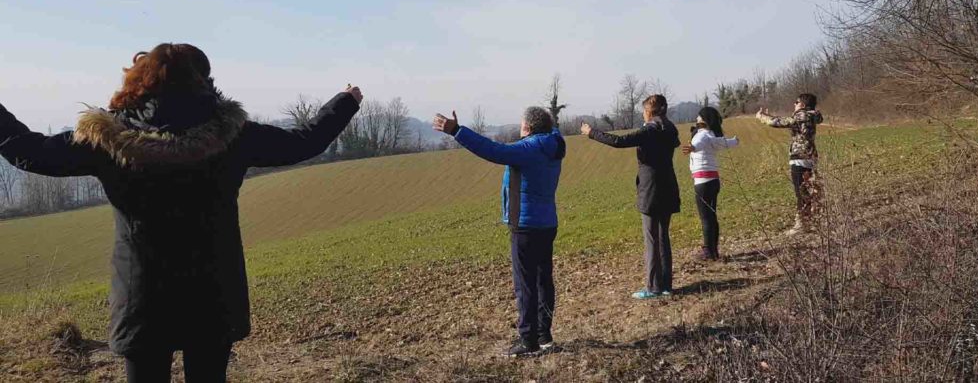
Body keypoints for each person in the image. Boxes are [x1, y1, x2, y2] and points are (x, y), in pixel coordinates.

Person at [0, 43, 362, 383]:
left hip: (142, 295)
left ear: (138, 81)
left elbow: (33, 152)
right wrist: (344, 102)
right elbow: (303, 141)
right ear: (204, 82)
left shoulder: (107, 140)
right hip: (213, 290)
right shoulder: (233, 136)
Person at [432, 107, 566, 357]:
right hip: (547, 222)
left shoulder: (530, 149)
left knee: (525, 284)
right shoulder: (554, 142)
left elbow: (494, 151)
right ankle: (544, 335)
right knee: (543, 280)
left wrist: (457, 131)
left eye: (522, 125)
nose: (519, 129)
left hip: (525, 225)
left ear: (527, 128)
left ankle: (528, 341)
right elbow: (549, 127)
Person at [581, 94, 680, 300]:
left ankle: (653, 287)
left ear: (649, 111)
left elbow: (619, 141)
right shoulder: (670, 128)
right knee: (663, 237)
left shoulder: (650, 129)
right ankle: (666, 285)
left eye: (644, 111)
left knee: (652, 238)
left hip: (651, 189)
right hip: (668, 186)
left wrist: (592, 133)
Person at [756, 93, 824, 236]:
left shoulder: (802, 115)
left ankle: (801, 224)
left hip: (800, 158)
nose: (794, 104)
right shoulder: (810, 116)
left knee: (801, 192)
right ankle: (810, 220)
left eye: (796, 102)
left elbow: (778, 123)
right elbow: (789, 121)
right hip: (810, 157)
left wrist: (762, 117)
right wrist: (772, 116)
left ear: (803, 105)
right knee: (808, 191)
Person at [680, 107, 739, 260]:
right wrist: (734, 141)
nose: (697, 119)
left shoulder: (703, 135)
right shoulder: (712, 135)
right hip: (713, 180)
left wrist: (693, 147)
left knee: (706, 217)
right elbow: (725, 142)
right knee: (711, 216)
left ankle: (708, 251)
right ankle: (713, 251)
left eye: (699, 117)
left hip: (703, 181)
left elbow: (699, 142)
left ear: (704, 120)